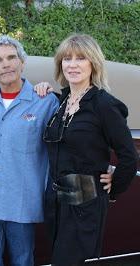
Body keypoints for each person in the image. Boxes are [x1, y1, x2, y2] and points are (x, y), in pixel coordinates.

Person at [37, 33, 138, 265]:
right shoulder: (61, 101)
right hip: (55, 201)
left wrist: (113, 188)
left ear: (93, 63)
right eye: (67, 59)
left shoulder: (104, 105)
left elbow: (129, 157)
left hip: (84, 201)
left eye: (81, 58)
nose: (72, 64)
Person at [0, 35, 59, 266]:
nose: (6, 64)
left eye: (11, 57)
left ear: (22, 62)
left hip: (23, 204)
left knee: (23, 262)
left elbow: (65, 144)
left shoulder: (46, 101)